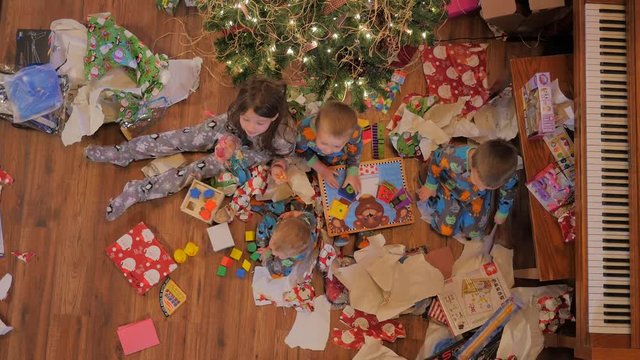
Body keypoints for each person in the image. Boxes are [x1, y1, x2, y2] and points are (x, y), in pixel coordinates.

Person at [84, 77, 295, 221]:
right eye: (247, 118)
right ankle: (125, 152)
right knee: (182, 137)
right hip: (229, 133)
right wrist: (229, 139)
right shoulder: (237, 112)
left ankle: (137, 191)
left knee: (197, 169)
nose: (251, 126)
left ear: (274, 118)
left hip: (249, 154)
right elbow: (231, 125)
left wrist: (278, 166)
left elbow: (285, 156)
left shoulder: (284, 135)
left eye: (259, 123)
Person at [417, 139, 519, 240]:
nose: (481, 188)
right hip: (451, 189)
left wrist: (503, 211)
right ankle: (438, 204)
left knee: (473, 233)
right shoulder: (456, 157)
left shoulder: (508, 176)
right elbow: (436, 158)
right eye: (477, 181)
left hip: (477, 197)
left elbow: (509, 190)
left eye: (488, 187)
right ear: (473, 165)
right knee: (445, 229)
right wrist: (430, 186)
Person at [274, 101, 362, 193]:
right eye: (324, 143)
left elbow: (356, 146)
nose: (328, 150)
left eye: (336, 145)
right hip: (315, 158)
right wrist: (322, 169)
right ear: (316, 128)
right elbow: (302, 152)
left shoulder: (353, 131)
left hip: (340, 159)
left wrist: (353, 172)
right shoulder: (304, 133)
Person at [261, 210, 318, 278]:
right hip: (306, 236)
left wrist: (267, 255)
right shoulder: (305, 220)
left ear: (290, 255)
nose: (272, 252)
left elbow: (274, 271)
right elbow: (311, 217)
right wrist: (292, 213)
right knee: (268, 218)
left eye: (278, 254)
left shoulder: (290, 260)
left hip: (307, 245)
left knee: (278, 268)